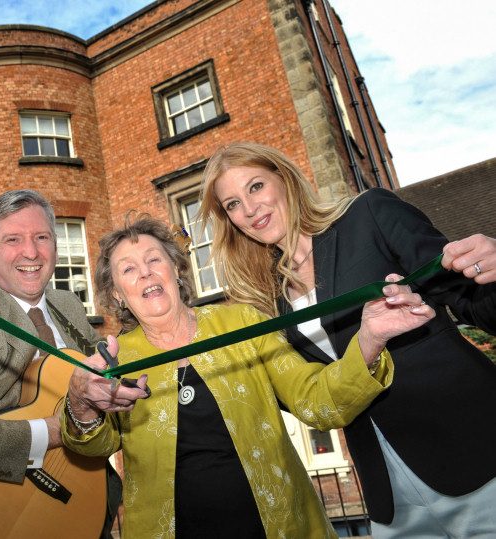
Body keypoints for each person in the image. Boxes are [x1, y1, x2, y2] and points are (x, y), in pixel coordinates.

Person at [61, 214, 435, 538]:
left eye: (154, 259)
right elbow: (92, 448)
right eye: (129, 269)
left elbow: (318, 404)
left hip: (278, 525)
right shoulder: (113, 360)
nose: (145, 272)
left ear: (175, 269)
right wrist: (81, 401)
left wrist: (369, 339)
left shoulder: (242, 322)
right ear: (118, 294)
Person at [198, 141, 496, 537]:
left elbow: (474, 302)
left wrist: (491, 266)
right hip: (388, 492)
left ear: (284, 179)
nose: (249, 210)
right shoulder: (266, 297)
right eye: (232, 204)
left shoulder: (368, 214)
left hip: (474, 449)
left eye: (255, 187)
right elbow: (307, 393)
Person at [0, 189, 120, 538]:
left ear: (55, 247)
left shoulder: (68, 304)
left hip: (87, 502)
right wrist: (65, 431)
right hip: (7, 509)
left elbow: (103, 395)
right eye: (13, 239)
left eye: (41, 237)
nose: (31, 252)